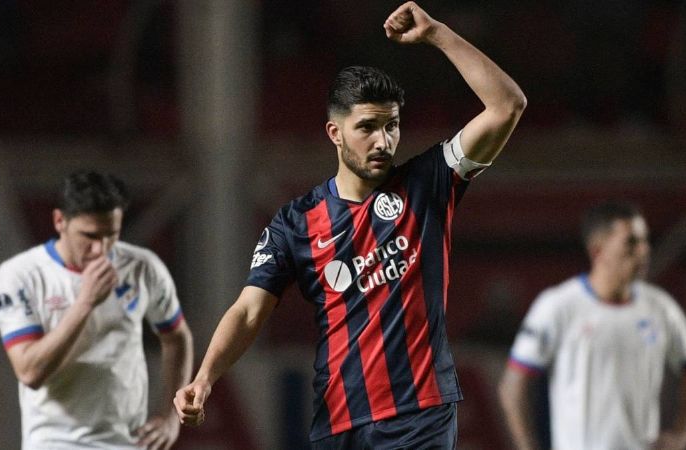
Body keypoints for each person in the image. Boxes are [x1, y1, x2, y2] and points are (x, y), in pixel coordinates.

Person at [174, 2, 526, 447]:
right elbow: (248, 309)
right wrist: (204, 378)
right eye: (368, 127)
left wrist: (437, 34)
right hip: (339, 422)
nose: (383, 141)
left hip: (421, 417)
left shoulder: (427, 183)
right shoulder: (297, 223)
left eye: (392, 126)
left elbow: (507, 105)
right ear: (334, 133)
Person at [0, 170, 194, 449]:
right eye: (90, 235)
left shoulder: (142, 267)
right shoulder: (21, 275)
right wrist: (85, 303)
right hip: (55, 442)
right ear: (60, 221)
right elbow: (29, 372)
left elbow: (177, 337)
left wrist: (169, 417)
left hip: (129, 442)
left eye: (111, 235)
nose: (101, 249)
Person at [498, 201, 686, 450]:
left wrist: (681, 434)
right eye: (631, 242)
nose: (644, 250)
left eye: (645, 241)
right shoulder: (558, 306)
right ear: (598, 251)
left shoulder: (660, 308)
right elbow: (512, 385)